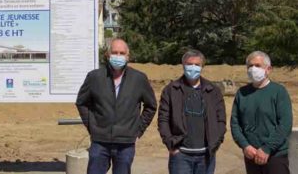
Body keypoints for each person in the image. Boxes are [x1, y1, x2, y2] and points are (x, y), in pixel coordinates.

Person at [76, 38, 157, 174]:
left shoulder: (139, 79)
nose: (118, 56)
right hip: (100, 141)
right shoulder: (94, 77)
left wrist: (138, 129)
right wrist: (92, 125)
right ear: (108, 55)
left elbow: (151, 106)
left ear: (127, 56)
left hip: (125, 143)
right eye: (114, 52)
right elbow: (81, 102)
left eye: (121, 53)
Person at [158, 49, 226, 174]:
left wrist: (216, 143)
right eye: (189, 64)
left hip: (206, 156)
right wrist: (170, 143)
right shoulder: (171, 90)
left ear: (202, 67)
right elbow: (163, 119)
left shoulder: (213, 91)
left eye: (197, 65)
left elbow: (221, 119)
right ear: (183, 65)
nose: (193, 67)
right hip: (180, 156)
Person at [230, 51, 292, 174]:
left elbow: (285, 124)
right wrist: (245, 146)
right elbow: (235, 123)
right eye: (250, 66)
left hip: (275, 156)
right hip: (251, 154)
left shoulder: (279, 92)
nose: (253, 69)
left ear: (268, 69)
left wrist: (267, 149)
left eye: (257, 66)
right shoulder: (242, 93)